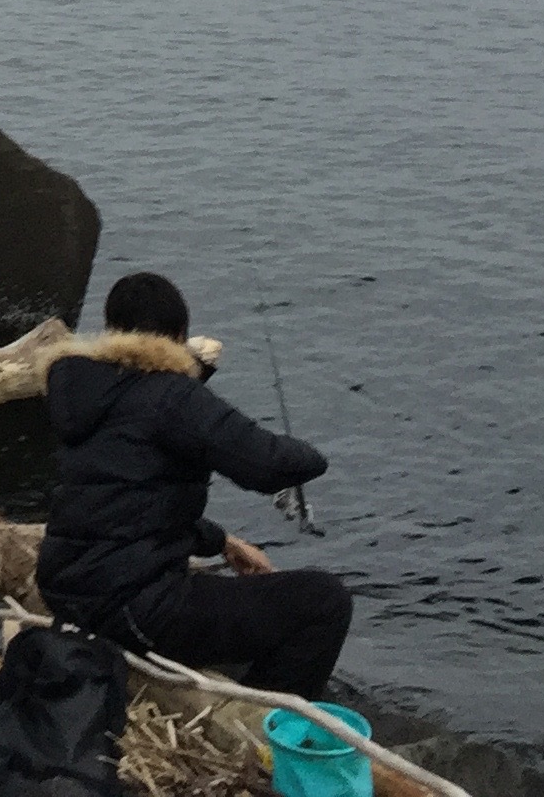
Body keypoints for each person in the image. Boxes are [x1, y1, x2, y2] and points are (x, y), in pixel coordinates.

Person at [36, 272, 350, 699]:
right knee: (324, 602)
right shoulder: (171, 395)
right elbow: (268, 464)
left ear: (111, 332)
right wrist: (316, 455)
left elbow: (125, 505)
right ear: (180, 336)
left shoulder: (85, 392)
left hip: (68, 593)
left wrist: (223, 541)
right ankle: (261, 728)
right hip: (131, 609)